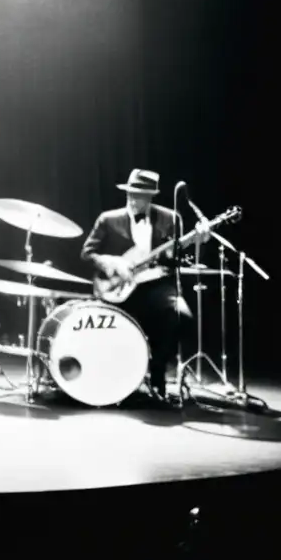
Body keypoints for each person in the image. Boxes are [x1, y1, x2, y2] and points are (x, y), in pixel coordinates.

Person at [80, 168, 205, 402]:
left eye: (140, 195)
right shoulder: (108, 219)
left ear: (151, 197)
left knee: (181, 316)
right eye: (130, 193)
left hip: (157, 285)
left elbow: (176, 259)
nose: (133, 199)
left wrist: (198, 241)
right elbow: (87, 253)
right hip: (118, 289)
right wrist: (111, 262)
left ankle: (156, 371)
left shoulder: (170, 219)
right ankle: (113, 378)